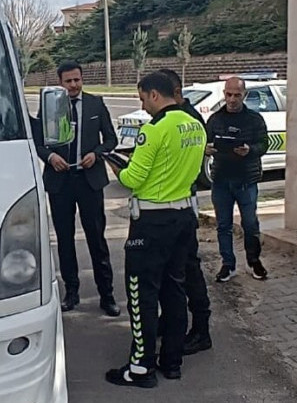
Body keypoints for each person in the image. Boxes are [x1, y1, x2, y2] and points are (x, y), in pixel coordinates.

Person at [104, 71, 206, 388]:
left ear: (155, 95)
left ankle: (141, 368)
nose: (143, 106)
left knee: (142, 294)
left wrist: (117, 167)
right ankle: (171, 362)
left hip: (152, 221)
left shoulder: (154, 129)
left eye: (142, 99)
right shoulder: (195, 125)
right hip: (183, 216)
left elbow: (133, 179)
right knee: (174, 290)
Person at [34, 60, 121, 317]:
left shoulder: (96, 104)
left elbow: (111, 139)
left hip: (89, 180)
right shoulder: (49, 105)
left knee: (96, 238)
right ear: (60, 83)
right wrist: (50, 157)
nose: (73, 85)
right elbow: (38, 142)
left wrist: (97, 153)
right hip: (60, 181)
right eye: (68, 81)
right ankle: (71, 293)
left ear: (82, 79)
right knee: (64, 239)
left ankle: (107, 295)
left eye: (77, 80)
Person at [156, 68, 213, 356]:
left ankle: (201, 329)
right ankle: (170, 321)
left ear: (175, 93)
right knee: (170, 269)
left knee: (188, 268)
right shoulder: (182, 118)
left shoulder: (187, 120)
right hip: (175, 204)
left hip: (182, 204)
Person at [205, 77, 269, 282]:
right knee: (223, 225)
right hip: (221, 179)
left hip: (246, 179)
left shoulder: (254, 119)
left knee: (250, 224)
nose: (232, 99)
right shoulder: (215, 119)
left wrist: (250, 150)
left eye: (237, 95)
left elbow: (264, 144)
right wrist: (206, 149)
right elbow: (204, 142)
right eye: (229, 94)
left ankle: (254, 261)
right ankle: (228, 264)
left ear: (245, 95)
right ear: (224, 94)